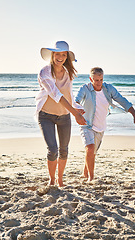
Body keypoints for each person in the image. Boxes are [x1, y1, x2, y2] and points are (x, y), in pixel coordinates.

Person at [75, 67, 135, 182]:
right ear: (91, 79)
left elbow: (122, 100)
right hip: (86, 124)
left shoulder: (108, 88)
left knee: (92, 152)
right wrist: (78, 111)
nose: (99, 83)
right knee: (90, 149)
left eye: (101, 79)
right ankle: (91, 177)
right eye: (96, 80)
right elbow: (76, 101)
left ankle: (85, 173)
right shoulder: (85, 89)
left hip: (100, 126)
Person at [36, 41, 87, 187]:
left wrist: (76, 108)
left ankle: (60, 179)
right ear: (52, 55)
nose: (60, 57)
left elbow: (68, 95)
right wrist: (76, 115)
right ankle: (51, 179)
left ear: (66, 57)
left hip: (64, 116)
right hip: (46, 116)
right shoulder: (45, 72)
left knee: (64, 150)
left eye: (63, 55)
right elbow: (56, 94)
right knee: (53, 149)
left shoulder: (68, 73)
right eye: (57, 54)